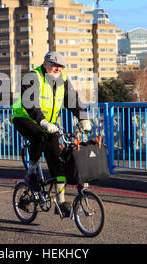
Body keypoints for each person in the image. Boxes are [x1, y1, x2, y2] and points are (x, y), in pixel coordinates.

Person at [12, 51, 92, 217]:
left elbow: (73, 100)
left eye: (60, 66)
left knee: (58, 160)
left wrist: (83, 118)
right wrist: (42, 122)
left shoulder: (62, 79)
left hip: (49, 124)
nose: (57, 68)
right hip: (24, 117)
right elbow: (29, 103)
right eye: (54, 65)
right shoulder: (33, 76)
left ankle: (61, 202)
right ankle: (31, 173)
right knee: (39, 136)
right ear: (45, 63)